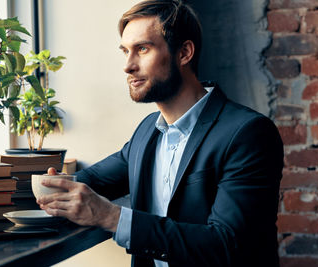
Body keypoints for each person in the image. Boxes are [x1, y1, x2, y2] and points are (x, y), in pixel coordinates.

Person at [36, 0, 284, 266]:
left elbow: (227, 244)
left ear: (184, 53)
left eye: (142, 49)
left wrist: (111, 217)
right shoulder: (148, 130)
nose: (128, 66)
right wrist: (49, 185)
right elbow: (94, 178)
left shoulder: (248, 133)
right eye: (125, 51)